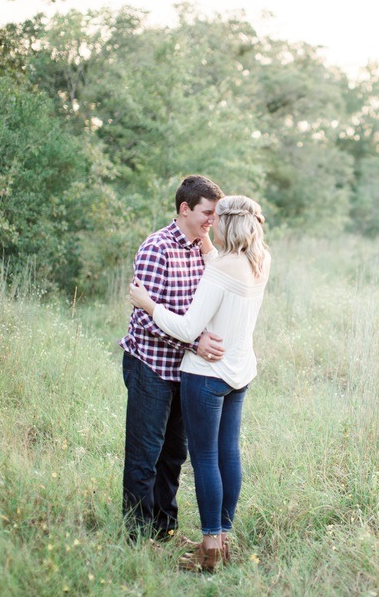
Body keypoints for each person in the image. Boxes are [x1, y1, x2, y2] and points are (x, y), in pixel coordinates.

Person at [129, 195, 271, 571]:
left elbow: (189, 328)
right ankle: (222, 538)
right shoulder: (260, 260)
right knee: (229, 454)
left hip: (207, 376)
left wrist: (148, 305)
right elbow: (222, 268)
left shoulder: (220, 267)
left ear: (225, 223)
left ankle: (209, 547)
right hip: (240, 374)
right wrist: (211, 248)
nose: (211, 225)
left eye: (215, 219)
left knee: (205, 458)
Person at [119, 174, 226, 544]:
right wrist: (195, 344)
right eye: (207, 213)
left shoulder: (199, 247)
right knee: (144, 454)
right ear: (184, 209)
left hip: (183, 372)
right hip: (150, 365)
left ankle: (164, 528)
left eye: (215, 214)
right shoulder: (156, 247)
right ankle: (135, 536)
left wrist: (205, 232)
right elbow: (145, 317)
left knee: (173, 455)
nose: (212, 220)